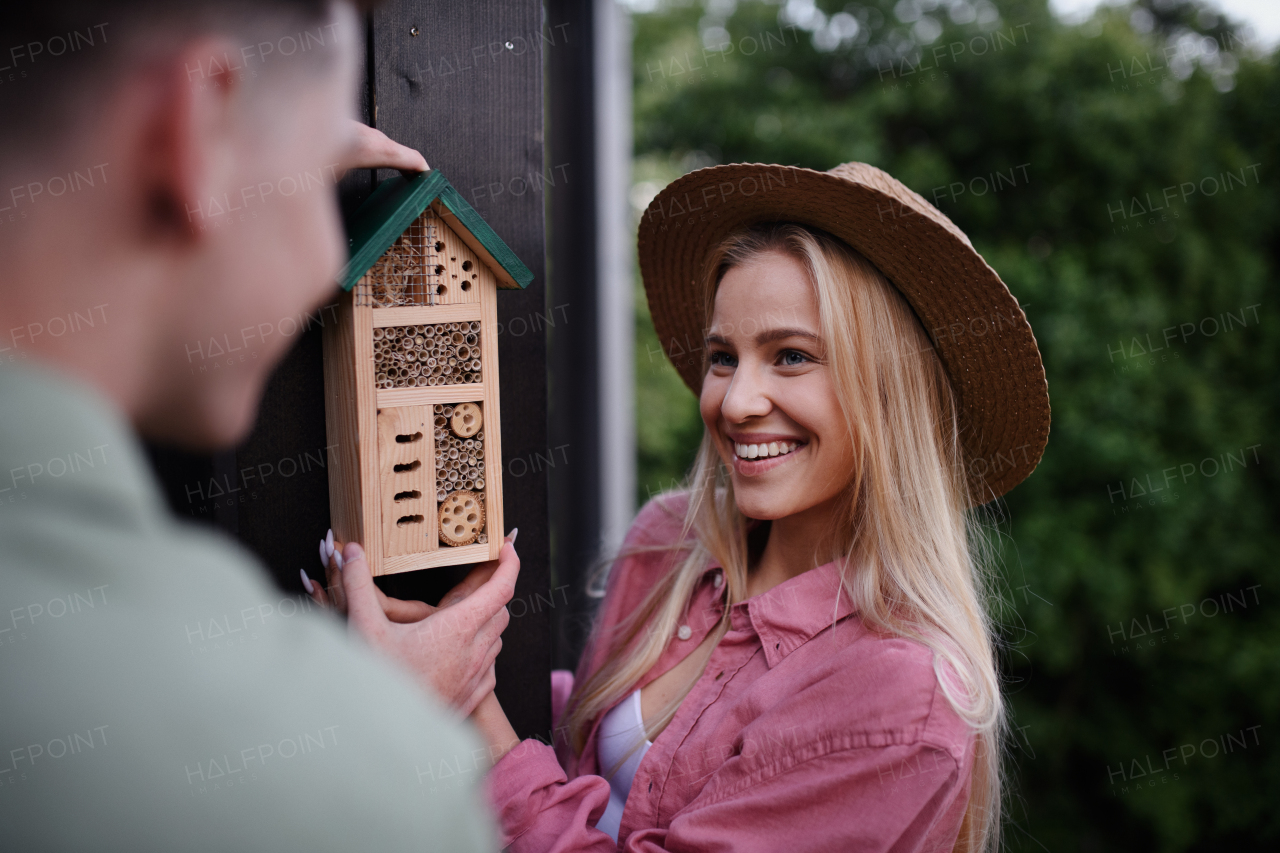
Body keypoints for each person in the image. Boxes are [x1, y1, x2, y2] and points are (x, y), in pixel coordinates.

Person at [318, 162, 1050, 851]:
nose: (734, 401)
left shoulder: (899, 694)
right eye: (723, 356)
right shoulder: (672, 542)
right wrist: (446, 642)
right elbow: (592, 753)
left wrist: (462, 701)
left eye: (791, 355)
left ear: (891, 392)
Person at [0, 2, 517, 849]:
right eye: (318, 172)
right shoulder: (355, 781)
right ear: (196, 130)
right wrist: (373, 733)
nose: (326, 262)